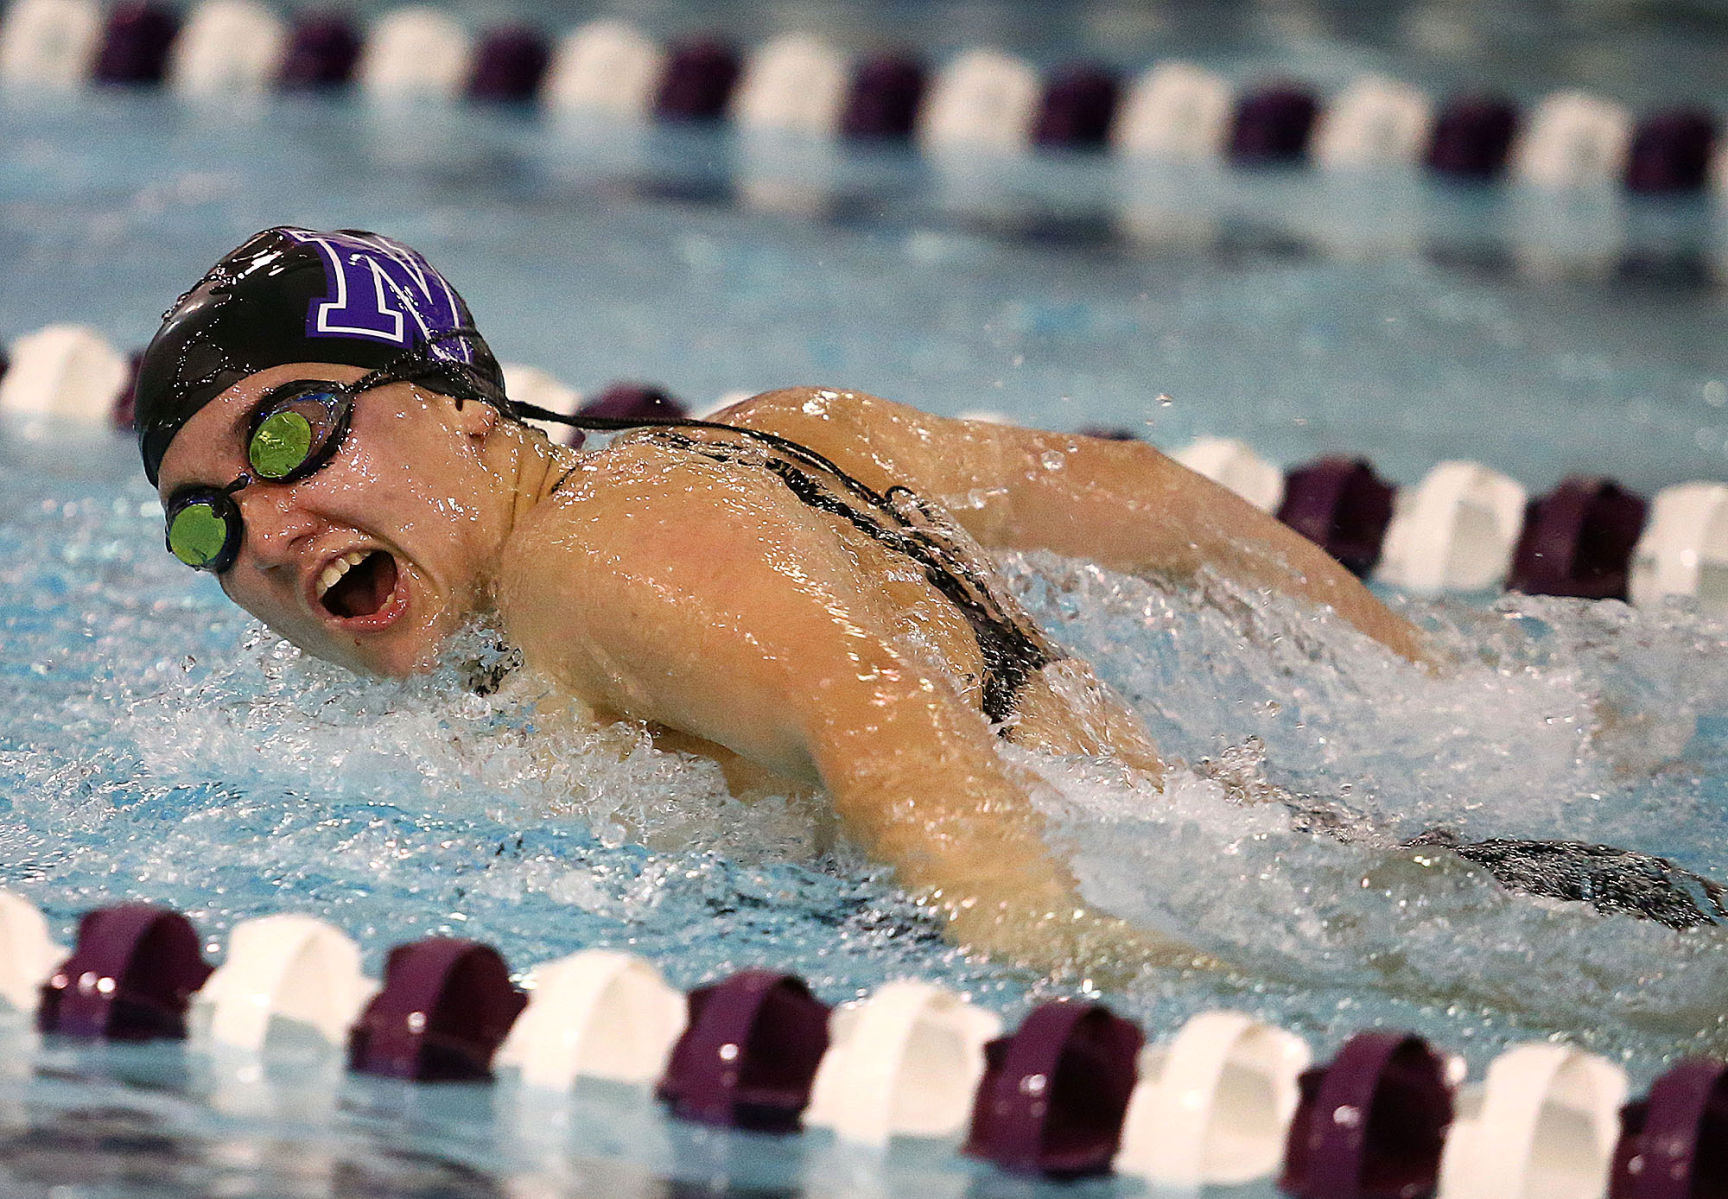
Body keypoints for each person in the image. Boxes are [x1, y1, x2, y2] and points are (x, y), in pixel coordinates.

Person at [136, 228, 1724, 978]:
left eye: (292, 431)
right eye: (203, 521)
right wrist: (1432, 680)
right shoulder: (776, 436)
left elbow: (861, 703)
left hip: (1234, 915)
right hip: (1358, 863)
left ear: (464, 401)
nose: (266, 529)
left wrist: (1058, 951)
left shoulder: (578, 561)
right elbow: (1151, 501)